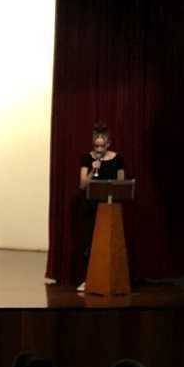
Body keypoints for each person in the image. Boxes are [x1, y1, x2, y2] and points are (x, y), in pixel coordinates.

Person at [76, 122, 126, 291]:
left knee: (110, 243)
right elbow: (83, 184)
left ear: (108, 144)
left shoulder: (117, 159)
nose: (98, 149)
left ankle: (113, 279)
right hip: (91, 207)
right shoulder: (87, 158)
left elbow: (121, 183)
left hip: (110, 208)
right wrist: (92, 169)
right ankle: (88, 279)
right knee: (90, 242)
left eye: (101, 146)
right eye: (96, 146)